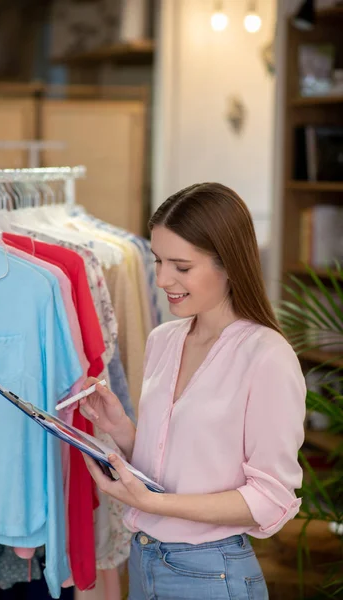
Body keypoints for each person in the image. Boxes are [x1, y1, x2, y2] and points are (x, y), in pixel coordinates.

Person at [80, 183, 306, 600]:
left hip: (212, 573)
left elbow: (269, 497)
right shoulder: (164, 339)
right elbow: (174, 465)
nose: (163, 278)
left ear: (230, 265)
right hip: (145, 559)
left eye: (181, 267)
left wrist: (155, 505)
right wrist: (123, 429)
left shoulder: (267, 356)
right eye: (158, 261)